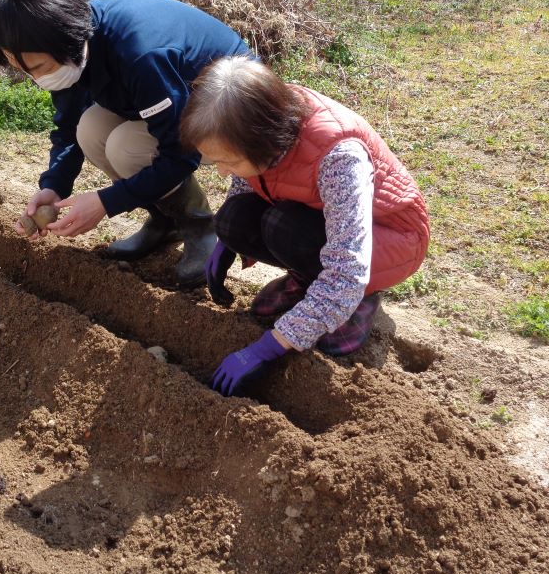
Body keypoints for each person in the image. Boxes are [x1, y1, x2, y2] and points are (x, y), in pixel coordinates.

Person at [179, 57, 430, 396]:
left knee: (283, 227)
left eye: (229, 161)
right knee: (232, 219)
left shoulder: (339, 156)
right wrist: (227, 242)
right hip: (321, 220)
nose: (223, 171)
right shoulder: (265, 121)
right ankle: (308, 280)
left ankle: (361, 301)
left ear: (264, 141)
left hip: (389, 239)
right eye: (216, 161)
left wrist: (268, 347)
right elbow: (249, 179)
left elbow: (346, 271)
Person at [0, 0, 254, 286]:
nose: (38, 79)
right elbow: (68, 128)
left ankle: (200, 226)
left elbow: (181, 153)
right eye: (25, 71)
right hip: (172, 104)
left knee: (125, 147)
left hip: (230, 110)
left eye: (41, 68)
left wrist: (106, 202)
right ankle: (166, 223)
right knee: (90, 129)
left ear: (65, 42)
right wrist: (54, 186)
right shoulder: (71, 44)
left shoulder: (139, 53)